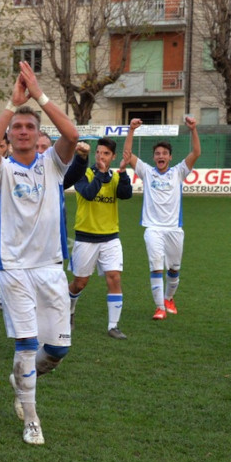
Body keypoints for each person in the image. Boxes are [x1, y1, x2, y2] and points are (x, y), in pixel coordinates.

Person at [0, 61, 79, 446]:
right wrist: (12, 104)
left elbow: (71, 134)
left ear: (39, 135)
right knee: (25, 344)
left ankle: (23, 379)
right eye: (17, 128)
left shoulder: (53, 165)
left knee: (57, 350)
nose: (23, 132)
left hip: (51, 268)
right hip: (14, 269)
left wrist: (39, 95)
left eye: (29, 127)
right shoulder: (1, 170)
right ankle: (32, 418)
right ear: (10, 134)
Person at [123, 117, 201, 319]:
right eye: (157, 153)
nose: (161, 156)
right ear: (154, 157)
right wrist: (131, 130)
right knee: (156, 266)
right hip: (153, 228)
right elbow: (128, 155)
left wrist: (193, 130)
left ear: (170, 157)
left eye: (164, 153)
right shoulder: (147, 172)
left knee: (174, 269)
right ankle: (159, 307)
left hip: (174, 229)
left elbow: (196, 153)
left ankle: (168, 298)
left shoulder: (178, 172)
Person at [67, 138, 132, 339]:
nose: (101, 157)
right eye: (99, 153)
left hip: (110, 237)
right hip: (85, 238)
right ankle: (68, 311)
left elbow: (126, 194)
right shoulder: (83, 173)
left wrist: (122, 173)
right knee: (80, 283)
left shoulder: (114, 176)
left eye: (106, 154)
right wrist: (101, 175)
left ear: (113, 157)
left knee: (114, 277)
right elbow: (87, 193)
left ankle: (113, 325)